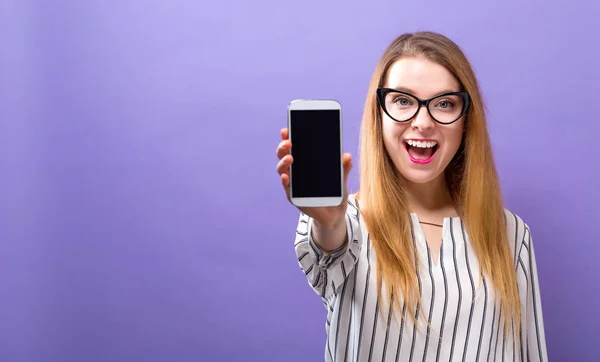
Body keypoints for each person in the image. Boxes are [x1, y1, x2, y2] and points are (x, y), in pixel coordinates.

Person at [275, 31, 548, 362]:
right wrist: (328, 221)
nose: (423, 122)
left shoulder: (511, 233)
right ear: (379, 114)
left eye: (444, 104)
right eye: (403, 101)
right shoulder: (343, 224)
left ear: (466, 119)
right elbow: (329, 247)